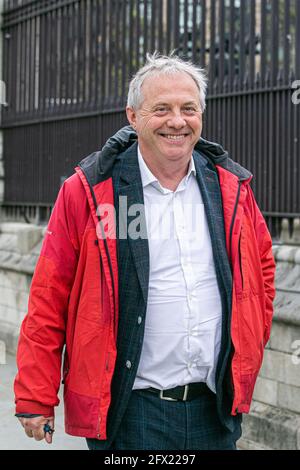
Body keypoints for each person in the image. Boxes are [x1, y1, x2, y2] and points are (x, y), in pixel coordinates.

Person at [14, 53, 276, 450]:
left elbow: (262, 273)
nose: (177, 121)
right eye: (162, 109)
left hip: (214, 411)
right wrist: (36, 394)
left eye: (188, 108)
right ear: (133, 117)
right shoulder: (99, 191)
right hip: (129, 414)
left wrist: (249, 342)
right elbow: (51, 294)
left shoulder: (229, 188)